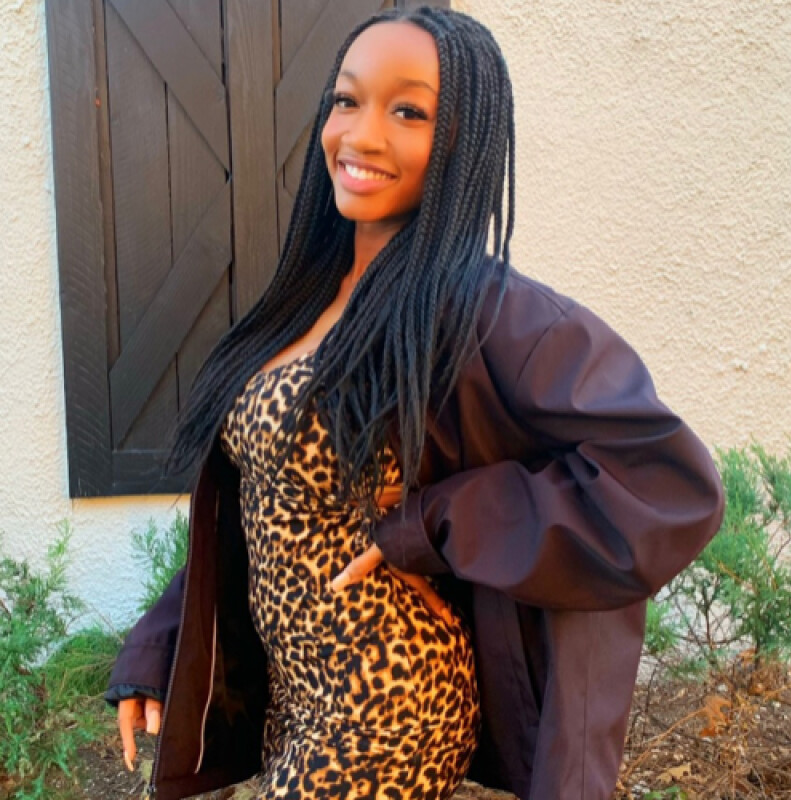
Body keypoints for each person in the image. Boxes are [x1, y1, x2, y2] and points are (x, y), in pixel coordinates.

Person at [105, 6, 724, 800]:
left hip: (390, 696)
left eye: (408, 111)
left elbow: (671, 488)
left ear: (463, 136)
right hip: (299, 697)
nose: (360, 135)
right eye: (346, 100)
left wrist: (435, 521)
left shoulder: (488, 312)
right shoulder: (304, 303)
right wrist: (162, 642)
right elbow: (262, 502)